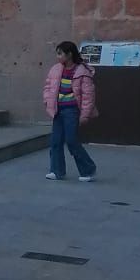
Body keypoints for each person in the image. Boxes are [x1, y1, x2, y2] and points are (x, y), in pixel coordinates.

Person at [44, 40, 98, 183]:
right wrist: (47, 100)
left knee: (71, 140)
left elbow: (88, 95)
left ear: (69, 54)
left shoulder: (82, 72)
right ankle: (56, 170)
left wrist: (85, 114)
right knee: (55, 141)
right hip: (58, 109)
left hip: (72, 111)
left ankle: (87, 169)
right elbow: (48, 86)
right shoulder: (56, 69)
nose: (58, 56)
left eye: (60, 53)